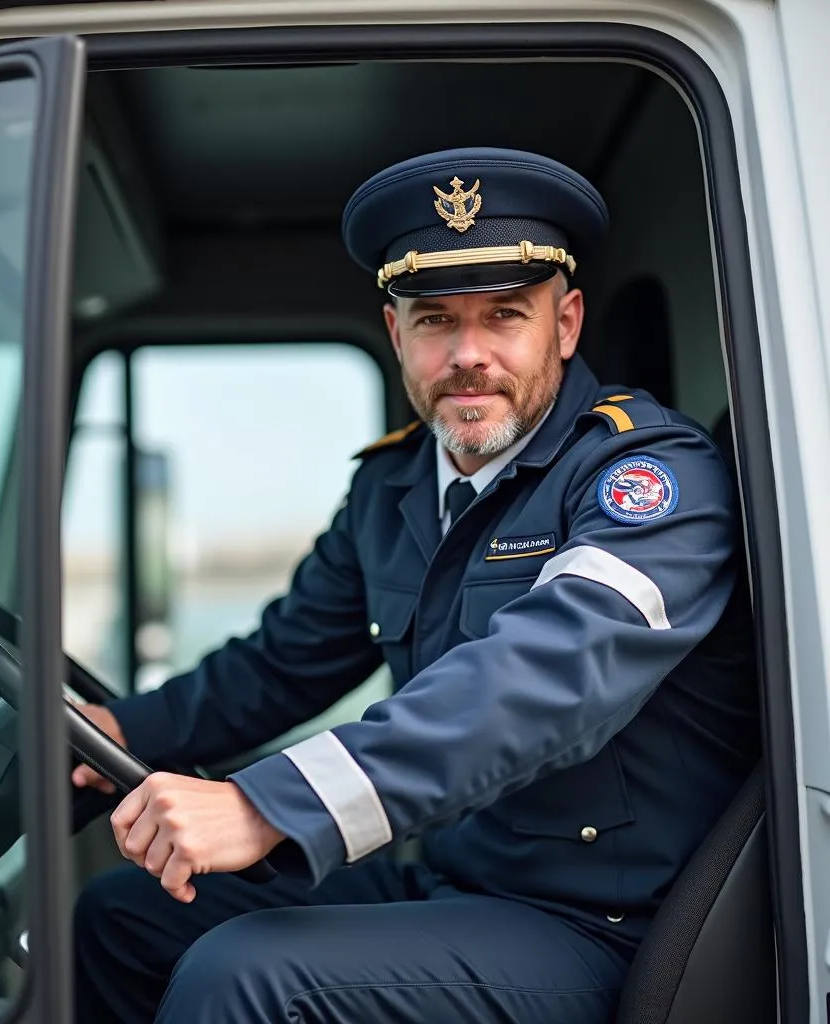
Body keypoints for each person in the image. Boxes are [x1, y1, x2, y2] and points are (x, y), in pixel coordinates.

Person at [71, 147, 760, 1024]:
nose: (468, 355)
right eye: (435, 320)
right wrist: (127, 729)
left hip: (604, 927)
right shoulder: (392, 488)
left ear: (566, 323)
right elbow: (284, 663)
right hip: (456, 883)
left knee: (247, 973)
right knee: (124, 919)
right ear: (397, 334)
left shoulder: (650, 478)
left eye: (505, 315)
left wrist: (271, 802)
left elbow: (547, 676)